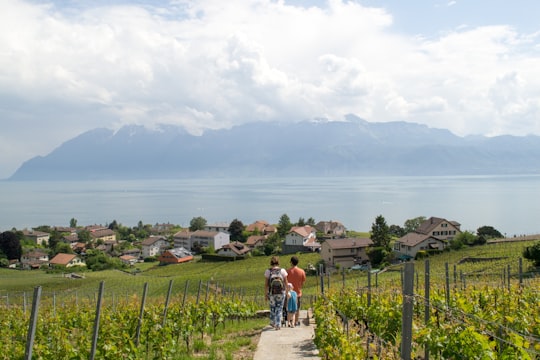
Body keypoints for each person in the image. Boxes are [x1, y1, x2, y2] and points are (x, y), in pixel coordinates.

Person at [264, 256, 288, 330]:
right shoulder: (282, 271)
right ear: (278, 262)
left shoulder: (268, 271)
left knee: (272, 307)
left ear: (271, 263)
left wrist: (265, 294)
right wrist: (287, 292)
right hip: (281, 292)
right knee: (279, 308)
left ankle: (272, 321)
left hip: (272, 292)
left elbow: (266, 284)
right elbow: (286, 282)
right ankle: (278, 324)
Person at [287, 255, 306, 326]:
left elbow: (285, 282)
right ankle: (296, 321)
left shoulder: (287, 271)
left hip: (289, 293)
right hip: (298, 292)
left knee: (289, 307)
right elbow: (303, 282)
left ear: (291, 262)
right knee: (297, 308)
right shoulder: (302, 271)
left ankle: (290, 320)